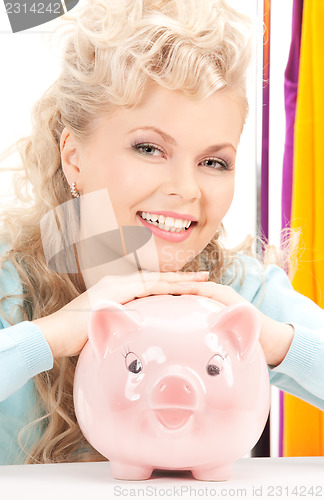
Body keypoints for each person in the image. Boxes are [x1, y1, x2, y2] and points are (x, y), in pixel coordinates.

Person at [1, 0, 324, 466]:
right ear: (73, 155)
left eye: (213, 162)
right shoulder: (11, 279)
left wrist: (277, 343)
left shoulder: (236, 292)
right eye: (149, 148)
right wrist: (46, 338)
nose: (186, 189)